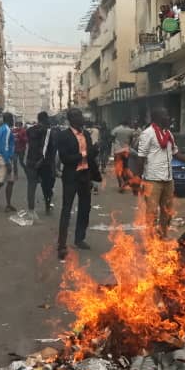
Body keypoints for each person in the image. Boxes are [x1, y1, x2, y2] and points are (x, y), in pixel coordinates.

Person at [135, 108, 185, 238]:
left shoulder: (169, 134)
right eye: (165, 115)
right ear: (156, 118)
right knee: (152, 212)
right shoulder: (147, 134)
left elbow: (175, 152)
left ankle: (163, 235)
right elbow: (141, 157)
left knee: (168, 212)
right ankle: (151, 239)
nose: (168, 118)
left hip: (168, 180)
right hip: (152, 180)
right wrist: (139, 180)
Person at [56, 108, 102, 261]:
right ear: (72, 119)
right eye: (79, 116)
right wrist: (84, 154)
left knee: (85, 207)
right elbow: (65, 158)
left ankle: (79, 238)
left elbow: (90, 156)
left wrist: (95, 151)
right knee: (67, 209)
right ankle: (62, 245)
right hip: (71, 176)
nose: (82, 118)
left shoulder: (86, 134)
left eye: (82, 115)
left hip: (85, 175)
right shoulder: (64, 136)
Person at [26, 111, 57, 218]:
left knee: (31, 186)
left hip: (30, 160)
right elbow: (49, 149)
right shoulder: (48, 131)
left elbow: (30, 145)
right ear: (46, 119)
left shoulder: (29, 130)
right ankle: (47, 206)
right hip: (44, 163)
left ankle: (31, 210)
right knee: (47, 186)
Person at [111, 119, 136, 191]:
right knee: (125, 167)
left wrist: (116, 144)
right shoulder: (130, 130)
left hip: (118, 151)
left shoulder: (116, 129)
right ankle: (129, 181)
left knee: (118, 168)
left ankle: (121, 182)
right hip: (126, 151)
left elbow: (112, 138)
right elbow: (131, 140)